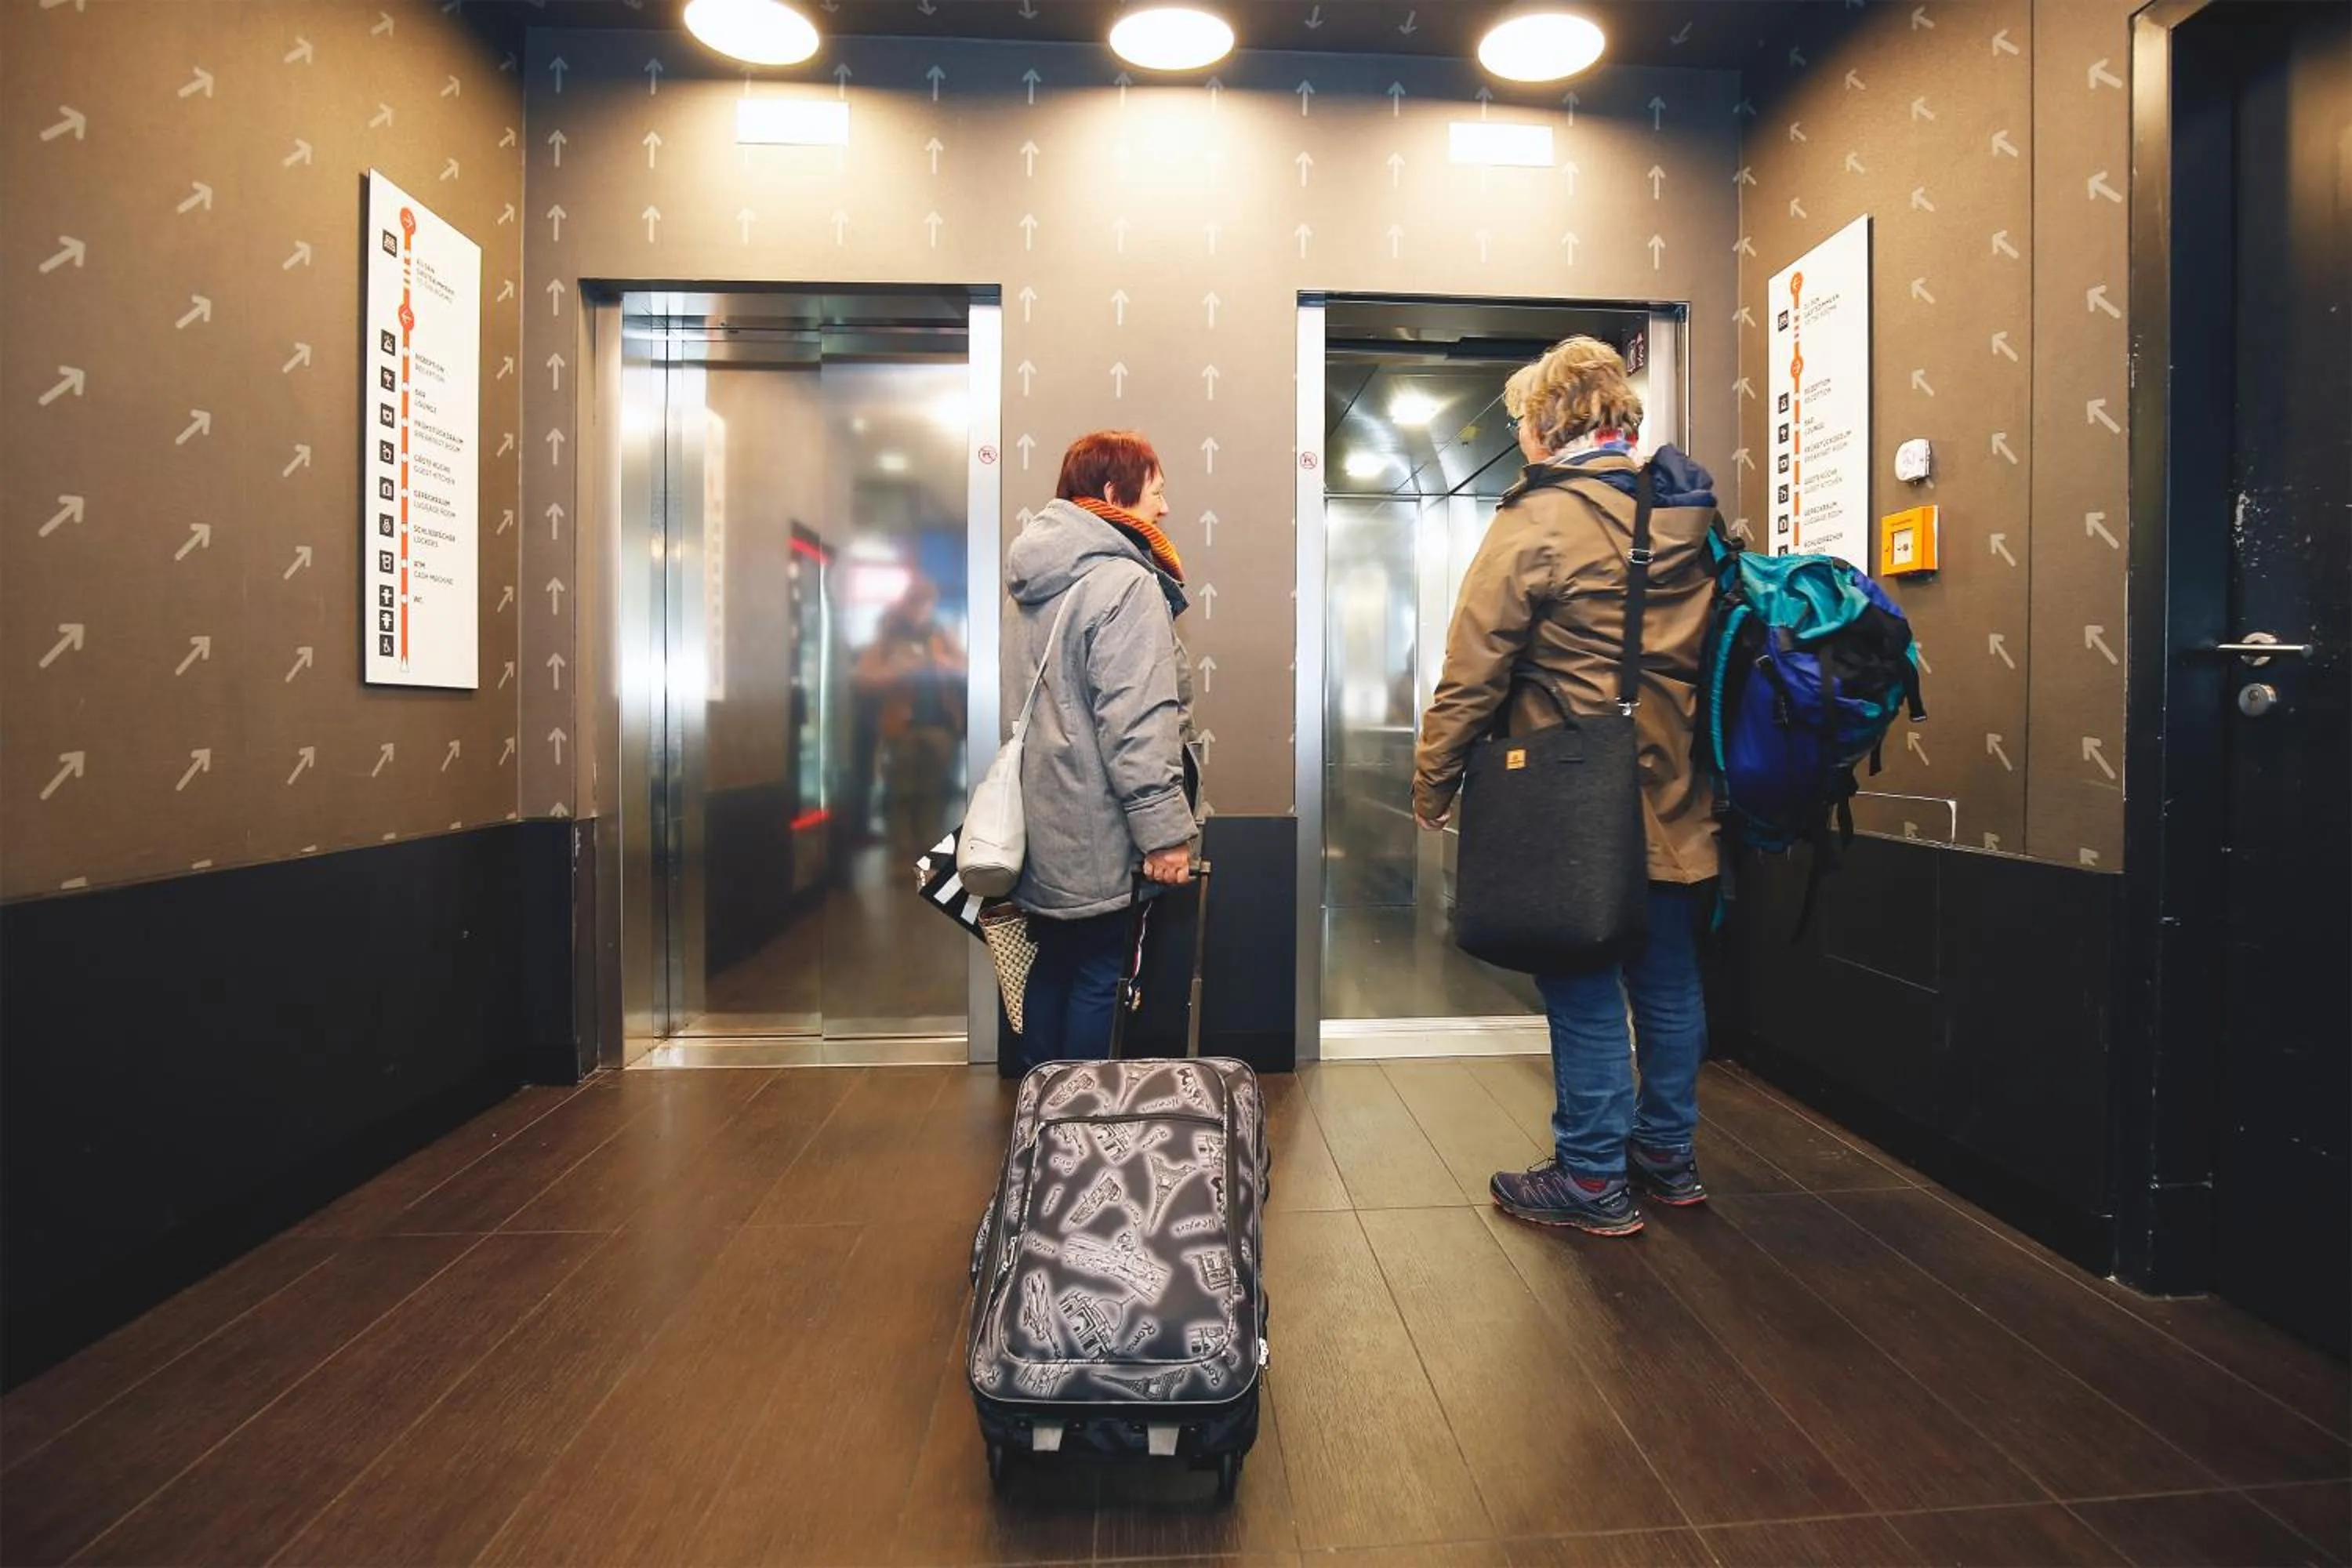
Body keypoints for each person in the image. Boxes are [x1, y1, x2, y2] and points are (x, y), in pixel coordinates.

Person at [1412, 338, 1723, 1236]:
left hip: (1574, 788)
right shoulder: (1685, 515)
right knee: (1666, 978)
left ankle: (1592, 1174)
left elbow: (1472, 670)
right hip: (1676, 784)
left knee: (1584, 980)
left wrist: (1435, 780)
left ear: (1548, 424)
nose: (1519, 439)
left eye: (1521, 423)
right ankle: (1667, 1155)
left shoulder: (1538, 521)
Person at [1004, 430, 1200, 1069]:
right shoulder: (1123, 582)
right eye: (1158, 491)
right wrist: (1165, 832)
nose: (1165, 508)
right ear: (1115, 492)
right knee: (1099, 974)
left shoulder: (1039, 581)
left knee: (1055, 966)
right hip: (1103, 825)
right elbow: (1136, 720)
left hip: (1047, 818)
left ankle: (1042, 1129)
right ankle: (1083, 1138)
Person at [854, 577, 966, 861]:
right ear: (906, 605)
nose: (921, 610)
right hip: (901, 728)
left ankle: (928, 859)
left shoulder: (941, 637)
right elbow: (864, 678)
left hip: (940, 727)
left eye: (927, 604)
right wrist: (895, 671)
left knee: (936, 795)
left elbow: (967, 667)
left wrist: (946, 666)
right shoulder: (889, 637)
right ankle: (902, 859)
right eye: (916, 603)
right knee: (901, 795)